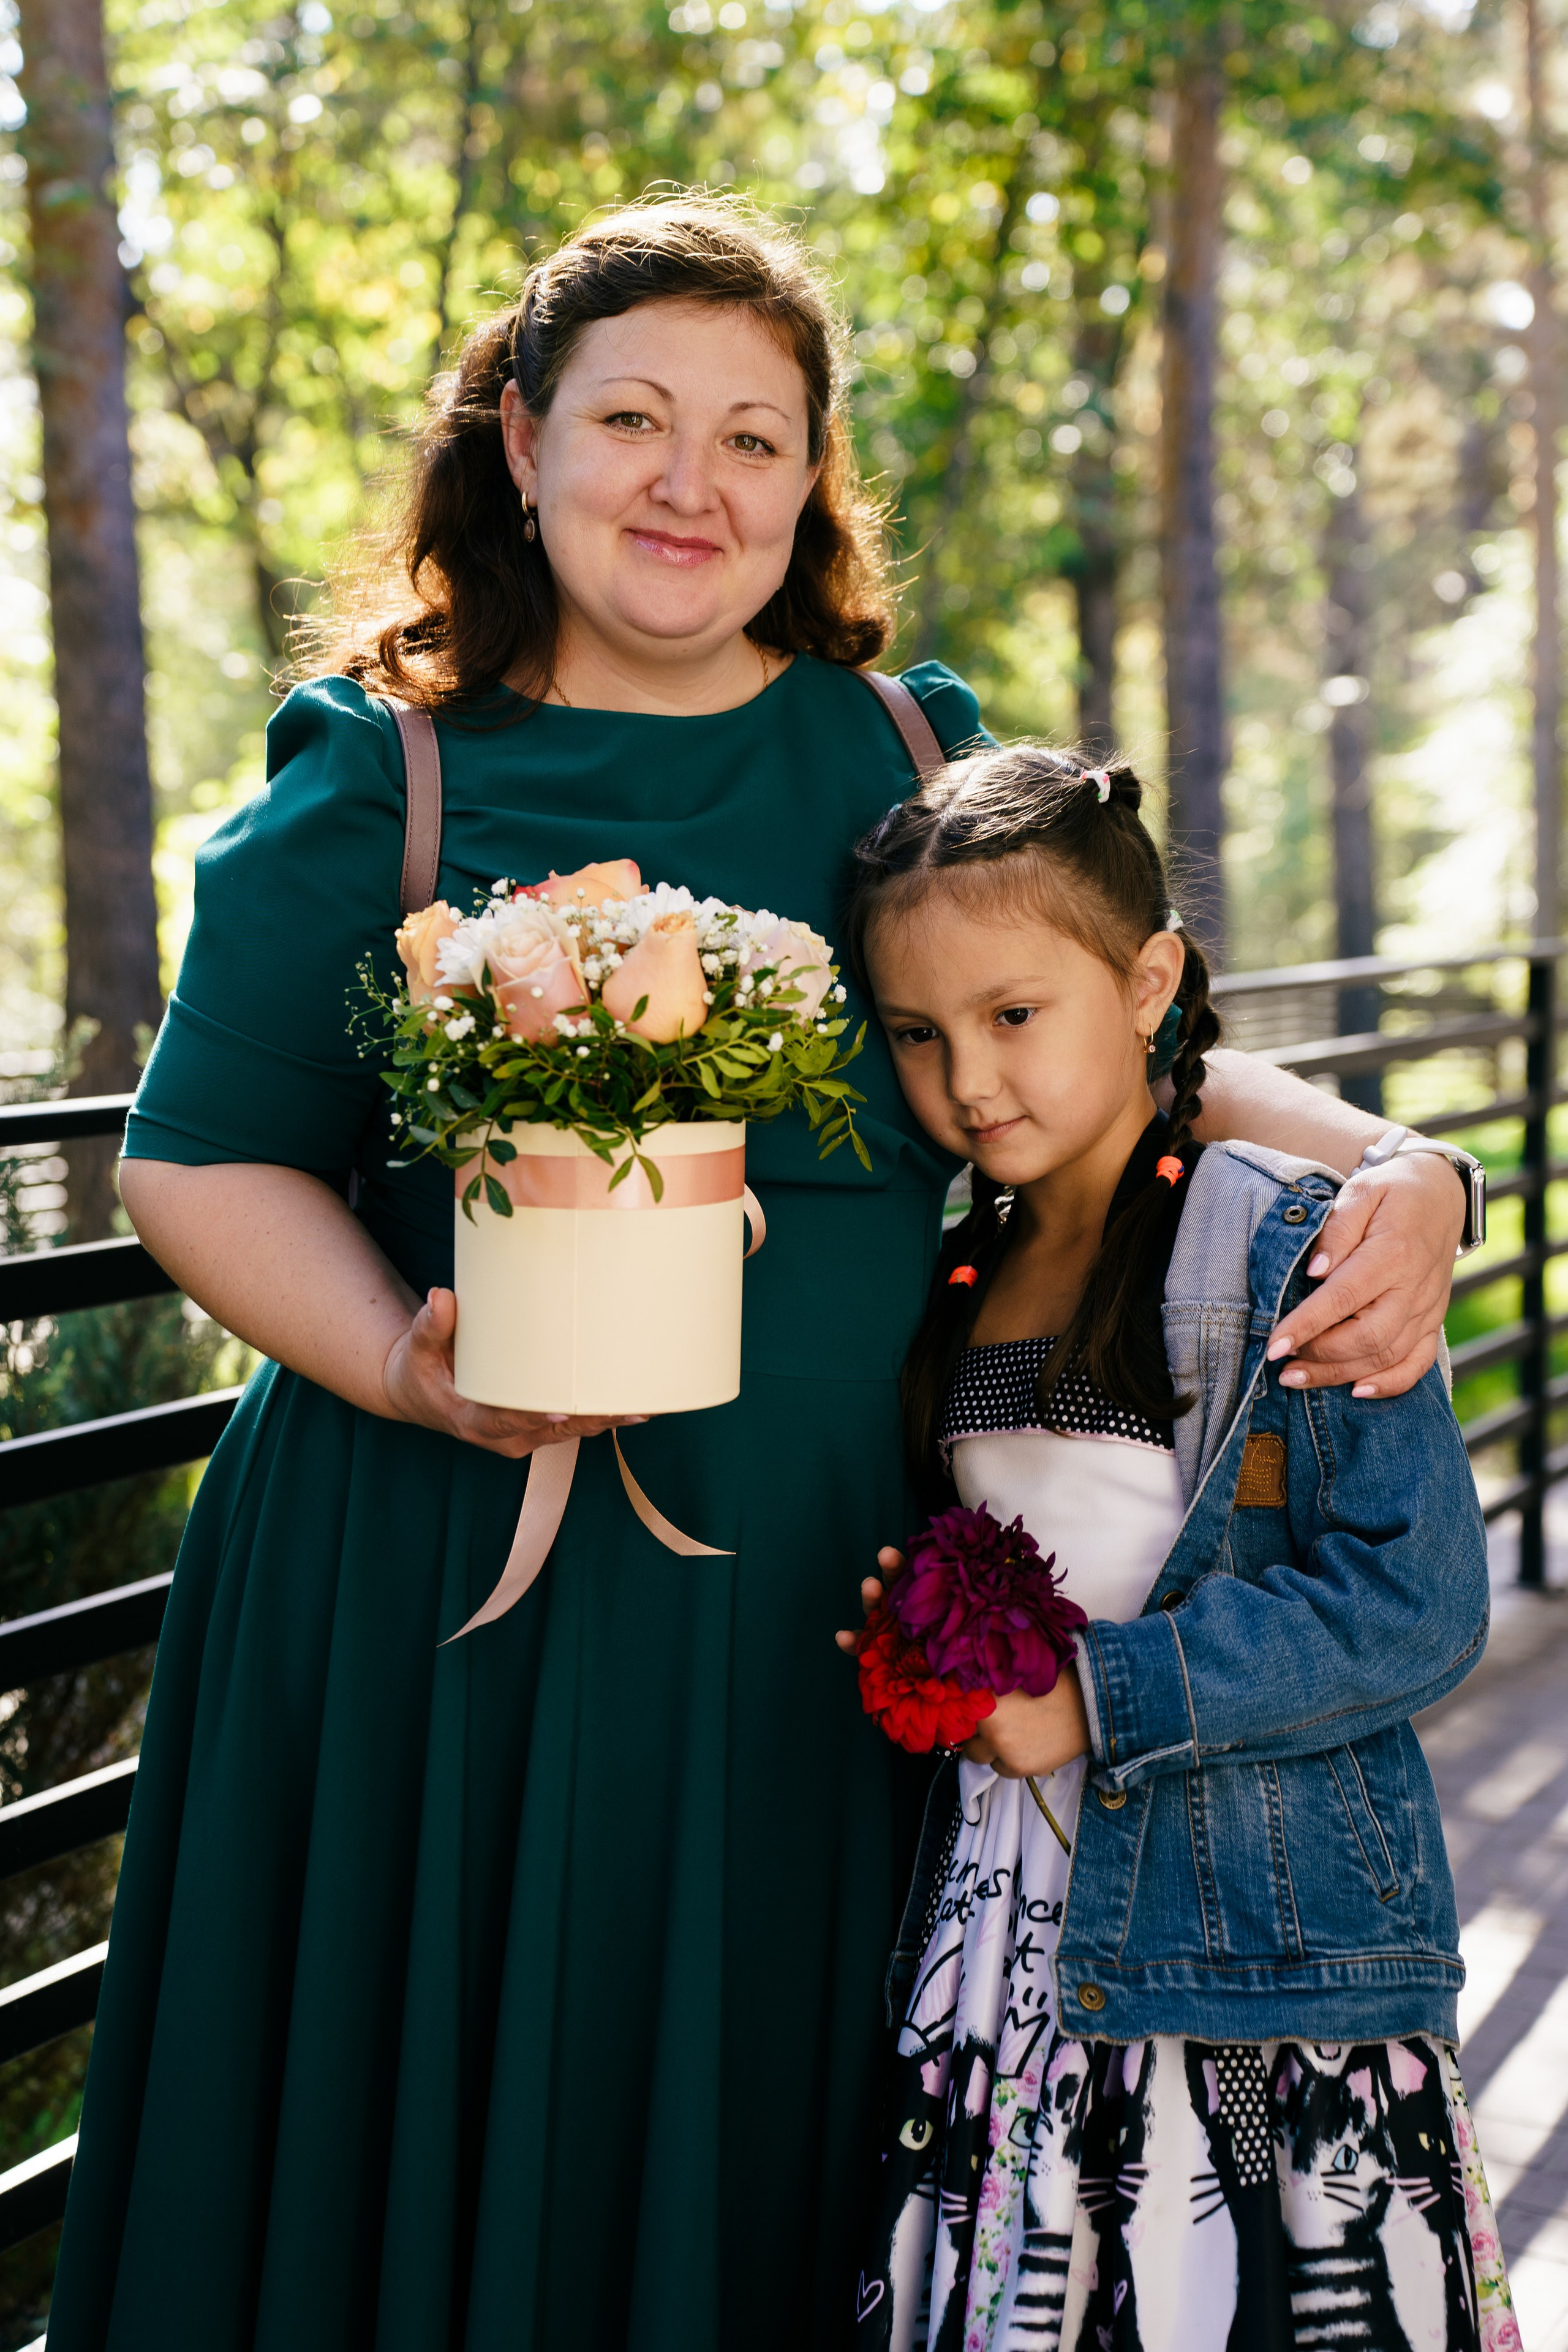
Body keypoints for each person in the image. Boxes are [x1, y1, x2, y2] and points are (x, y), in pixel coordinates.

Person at [49, 195, 1472, 2351]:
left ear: (812, 482)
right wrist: (414, 1371)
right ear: (518, 440)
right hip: (431, 1592)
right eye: (632, 418)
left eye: (756, 435)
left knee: (778, 2152)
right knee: (417, 2155)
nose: (690, 482)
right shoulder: (385, 776)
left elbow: (1121, 1049)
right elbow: (197, 1161)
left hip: (817, 1608)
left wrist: (1409, 1168)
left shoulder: (902, 754)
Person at [837, 744, 1515, 2352]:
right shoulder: (957, 1274)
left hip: (1250, 1960)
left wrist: (1099, 1695)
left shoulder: (1294, 1245)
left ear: (1150, 984)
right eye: (921, 1038)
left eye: (1015, 1017)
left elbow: (1419, 1601)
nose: (970, 1082)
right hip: (1008, 1943)